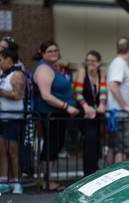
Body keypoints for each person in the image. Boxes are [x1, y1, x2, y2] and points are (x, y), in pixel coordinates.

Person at [32, 40, 79, 191]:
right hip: (50, 115)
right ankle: (46, 181)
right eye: (49, 51)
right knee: (50, 147)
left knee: (54, 146)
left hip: (57, 115)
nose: (53, 53)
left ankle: (47, 179)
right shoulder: (43, 69)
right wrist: (67, 107)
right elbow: (46, 96)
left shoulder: (51, 68)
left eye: (55, 50)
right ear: (42, 53)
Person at [74, 50, 107, 176]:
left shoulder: (101, 73)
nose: (90, 63)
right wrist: (85, 106)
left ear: (99, 62)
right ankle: (88, 172)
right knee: (89, 140)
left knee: (97, 141)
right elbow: (78, 93)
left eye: (93, 61)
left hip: (96, 113)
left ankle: (95, 169)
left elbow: (103, 91)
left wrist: (102, 104)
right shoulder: (83, 72)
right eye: (88, 60)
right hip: (84, 112)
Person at [106, 36, 129, 165]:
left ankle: (109, 177)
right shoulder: (120, 64)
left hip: (116, 114)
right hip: (121, 114)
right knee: (122, 148)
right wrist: (126, 106)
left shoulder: (117, 63)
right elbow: (113, 86)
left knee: (113, 147)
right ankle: (117, 180)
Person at [0, 49, 26, 194]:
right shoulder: (4, 75)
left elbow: (17, 94)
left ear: (8, 59)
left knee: (13, 152)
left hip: (13, 118)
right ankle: (4, 180)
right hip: (3, 118)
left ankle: (17, 181)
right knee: (2, 151)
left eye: (1, 60)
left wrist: (1, 93)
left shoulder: (17, 74)